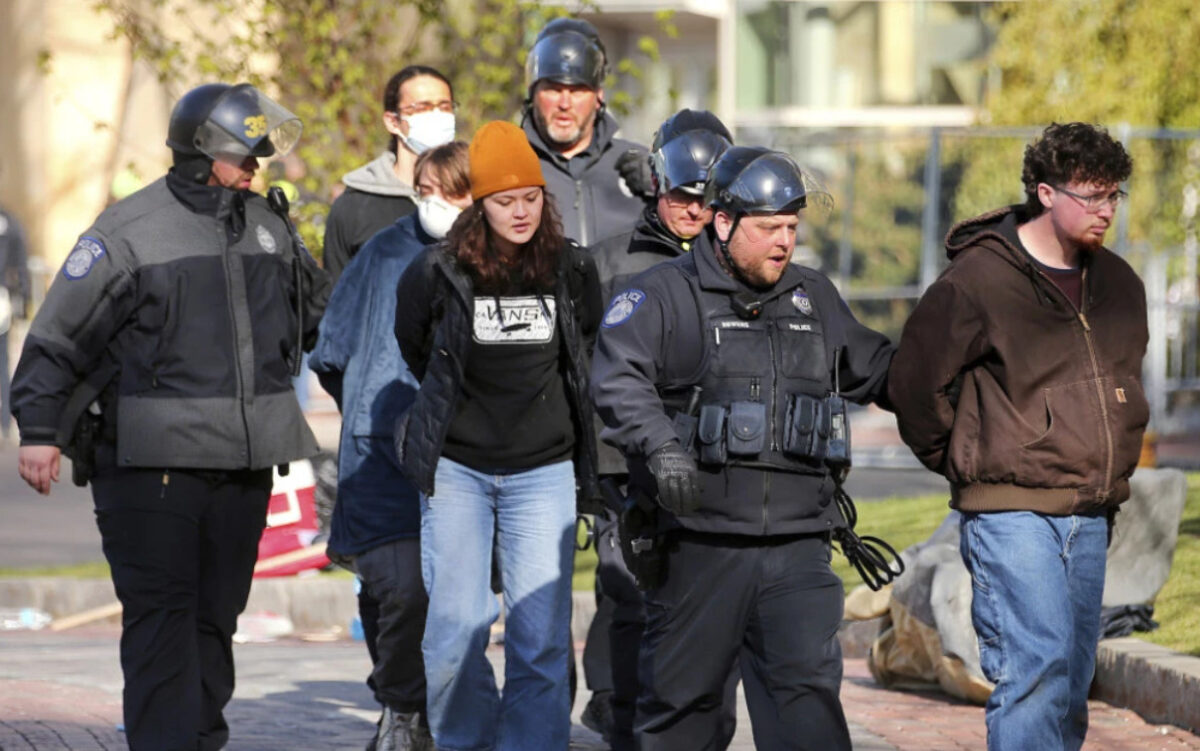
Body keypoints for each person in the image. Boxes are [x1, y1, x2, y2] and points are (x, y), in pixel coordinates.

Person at [10, 82, 329, 750]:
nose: (257, 164)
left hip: (242, 466)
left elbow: (318, 323)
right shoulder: (128, 232)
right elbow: (57, 336)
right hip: (149, 467)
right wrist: (39, 430)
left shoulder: (269, 227)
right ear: (201, 150)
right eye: (246, 152)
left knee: (215, 619)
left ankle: (198, 738)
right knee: (163, 618)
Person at [591, 146, 894, 750]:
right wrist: (662, 448)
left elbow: (880, 369)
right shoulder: (661, 295)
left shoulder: (814, 295)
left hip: (799, 544)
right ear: (722, 222)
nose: (784, 242)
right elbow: (617, 378)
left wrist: (952, 364)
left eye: (791, 227)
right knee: (686, 713)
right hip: (698, 544)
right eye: (768, 228)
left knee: (807, 709)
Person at [888, 122, 1146, 751]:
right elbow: (916, 384)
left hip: (1089, 509)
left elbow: (1123, 383)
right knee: (1034, 668)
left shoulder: (1119, 284)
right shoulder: (978, 281)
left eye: (1113, 196)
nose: (1104, 211)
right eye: (1090, 196)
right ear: (1045, 192)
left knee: (1071, 674)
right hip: (1009, 511)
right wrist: (968, 462)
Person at [392, 121, 600, 750]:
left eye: (530, 198)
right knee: (454, 630)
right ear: (479, 204)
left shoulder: (572, 268)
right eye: (504, 201)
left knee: (539, 637)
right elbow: (417, 346)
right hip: (458, 469)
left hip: (544, 473)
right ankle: (466, 742)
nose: (520, 212)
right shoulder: (438, 271)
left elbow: (584, 348)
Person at [310, 141, 470, 751]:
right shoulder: (381, 254)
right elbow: (331, 350)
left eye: (451, 193)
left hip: (466, 456)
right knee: (398, 587)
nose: (436, 205)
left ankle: (426, 707)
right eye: (425, 191)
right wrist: (370, 400)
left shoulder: (500, 261)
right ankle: (403, 706)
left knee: (446, 599)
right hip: (382, 455)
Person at [587, 108, 738, 750]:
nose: (693, 211)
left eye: (706, 199)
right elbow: (582, 369)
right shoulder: (605, 262)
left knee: (711, 610)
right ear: (657, 182)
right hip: (625, 465)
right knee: (629, 596)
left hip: (716, 462)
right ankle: (621, 725)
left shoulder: (744, 264)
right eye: (681, 195)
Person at [521, 16, 648, 247]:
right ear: (533, 93)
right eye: (553, 89)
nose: (564, 103)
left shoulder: (638, 168)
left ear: (599, 95)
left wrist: (665, 189)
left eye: (577, 90)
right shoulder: (509, 164)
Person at [324, 65, 456, 284]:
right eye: (422, 107)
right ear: (393, 121)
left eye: (445, 106)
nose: (436, 115)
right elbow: (336, 303)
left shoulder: (476, 197)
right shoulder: (354, 208)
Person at [0, 200, 30, 442]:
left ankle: (4, 424)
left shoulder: (8, 220)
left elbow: (20, 262)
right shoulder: (8, 220)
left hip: (1, 299)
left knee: (2, 362)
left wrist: (24, 298)